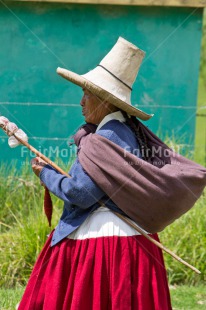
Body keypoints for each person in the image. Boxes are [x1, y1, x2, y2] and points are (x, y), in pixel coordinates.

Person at [18, 37, 172, 309]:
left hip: (106, 242)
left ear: (104, 100)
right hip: (126, 238)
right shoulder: (123, 130)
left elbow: (82, 193)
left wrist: (45, 174)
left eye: (87, 94)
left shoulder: (108, 135)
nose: (81, 102)